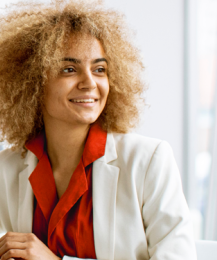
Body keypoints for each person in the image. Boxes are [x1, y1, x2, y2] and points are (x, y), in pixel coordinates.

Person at [0, 0, 197, 259]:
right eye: (69, 69)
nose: (90, 83)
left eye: (99, 69)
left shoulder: (149, 161)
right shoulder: (7, 167)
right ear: (33, 83)